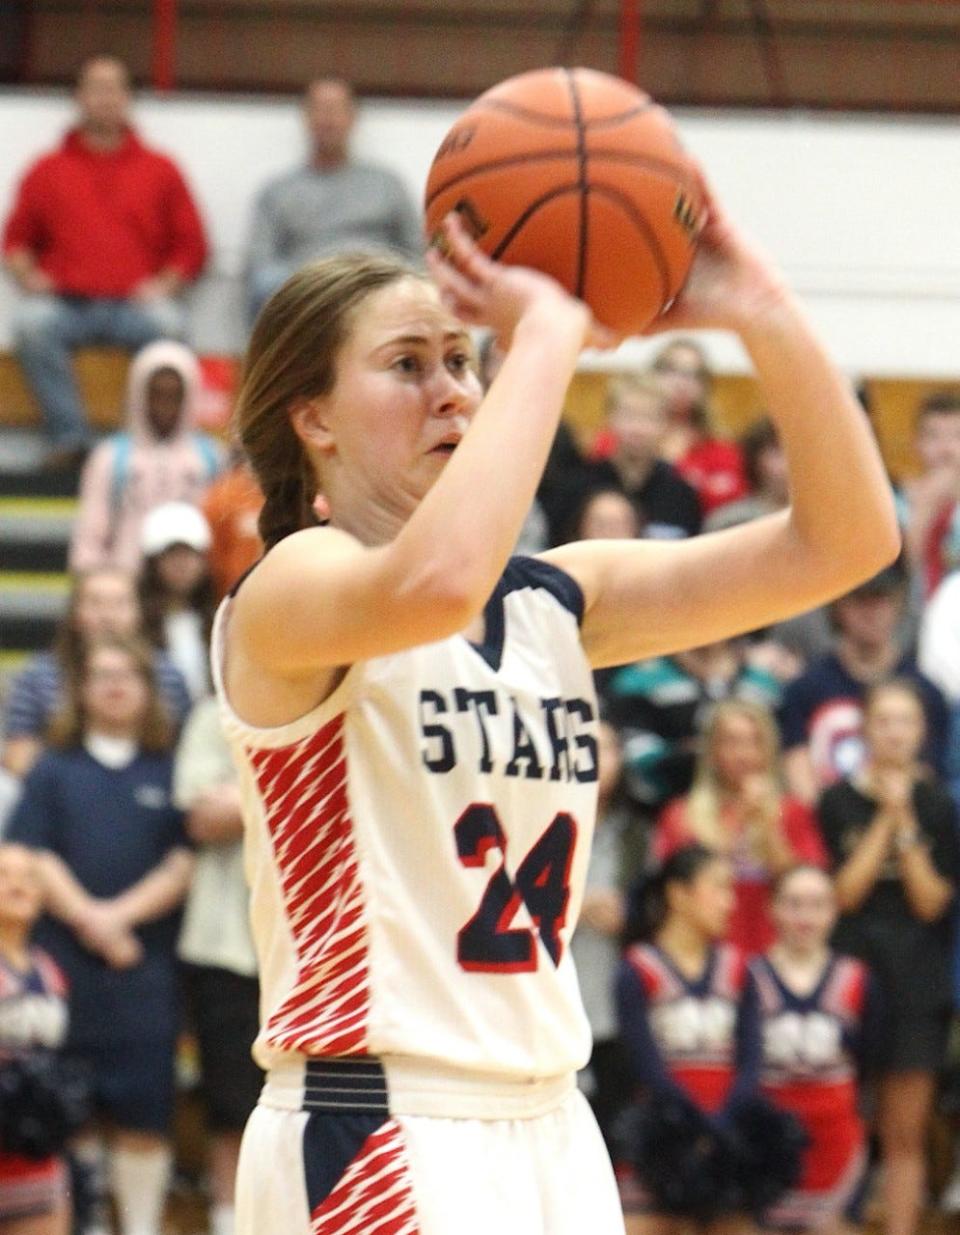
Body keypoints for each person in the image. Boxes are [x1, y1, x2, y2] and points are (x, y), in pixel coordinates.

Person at [213, 182, 897, 1235]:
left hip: (552, 1120)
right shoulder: (290, 588)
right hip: (378, 1116)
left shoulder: (552, 604)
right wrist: (545, 337)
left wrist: (762, 307)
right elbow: (435, 580)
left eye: (461, 360)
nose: (451, 389)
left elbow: (850, 542)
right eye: (408, 364)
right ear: (312, 418)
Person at [5, 634, 194, 1235]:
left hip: (145, 970)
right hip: (69, 968)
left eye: (127, 674)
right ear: (81, 689)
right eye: (101, 674)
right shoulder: (54, 769)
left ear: (148, 688)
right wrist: (92, 918)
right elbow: (31, 852)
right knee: (73, 1114)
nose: (114, 685)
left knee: (146, 1115)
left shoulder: (170, 767)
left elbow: (184, 858)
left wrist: (121, 920)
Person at [1, 56, 208, 469]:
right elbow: (15, 241)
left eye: (114, 88)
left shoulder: (161, 169)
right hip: (67, 305)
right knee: (30, 324)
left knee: (171, 327)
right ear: (79, 97)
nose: (105, 98)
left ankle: (143, 446)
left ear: (128, 98)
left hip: (135, 308)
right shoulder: (48, 169)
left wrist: (164, 285)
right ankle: (70, 439)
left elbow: (192, 247)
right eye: (95, 87)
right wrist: (28, 274)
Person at [817, 679, 959, 1235]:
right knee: (841, 1117)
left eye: (907, 722)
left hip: (918, 976)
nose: (895, 733)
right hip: (850, 970)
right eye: (885, 722)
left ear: (923, 733)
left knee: (905, 1130)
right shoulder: (836, 799)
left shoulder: (939, 804)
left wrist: (905, 822)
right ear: (866, 730)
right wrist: (884, 815)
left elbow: (930, 901)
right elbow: (844, 893)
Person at [615, 844, 761, 1234]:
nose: (730, 903)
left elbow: (750, 1062)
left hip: (727, 1132)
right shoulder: (636, 969)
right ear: (678, 894)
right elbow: (645, 1064)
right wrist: (697, 1123)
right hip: (659, 1139)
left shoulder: (739, 968)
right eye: (719, 888)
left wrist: (722, 1124)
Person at [173, 696, 260, 1235]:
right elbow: (204, 818)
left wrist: (246, 795)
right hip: (227, 947)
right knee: (230, 1107)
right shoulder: (216, 712)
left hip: (323, 952)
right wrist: (307, 788)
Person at [751, 865, 878, 1235]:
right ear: (772, 909)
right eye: (793, 904)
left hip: (837, 1144)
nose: (805, 916)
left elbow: (870, 1067)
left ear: (834, 911)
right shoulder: (749, 977)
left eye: (817, 904)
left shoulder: (858, 980)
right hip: (767, 1145)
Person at [655, 699, 826, 955]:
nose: (743, 753)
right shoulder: (681, 814)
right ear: (712, 751)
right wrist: (736, 824)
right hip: (706, 953)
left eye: (754, 741)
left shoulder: (792, 811)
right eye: (731, 742)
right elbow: (677, 888)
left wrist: (768, 829)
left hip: (775, 953)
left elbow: (801, 887)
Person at [245, 77, 422, 322]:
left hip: (379, 294)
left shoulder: (387, 184)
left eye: (336, 109)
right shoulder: (277, 191)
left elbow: (417, 251)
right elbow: (260, 263)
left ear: (353, 117)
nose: (327, 119)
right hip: (308, 301)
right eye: (319, 109)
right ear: (305, 117)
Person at [779, 559, 948, 805]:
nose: (871, 611)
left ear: (899, 603)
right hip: (828, 826)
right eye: (859, 599)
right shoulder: (806, 688)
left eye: (881, 599)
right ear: (838, 605)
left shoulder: (927, 692)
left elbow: (929, 775)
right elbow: (797, 769)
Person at [0, 567, 191, 781]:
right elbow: (17, 754)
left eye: (119, 603)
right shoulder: (37, 675)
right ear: (74, 613)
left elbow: (186, 752)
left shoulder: (168, 675)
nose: (107, 616)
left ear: (139, 612)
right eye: (95, 603)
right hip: (62, 790)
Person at [68, 340, 224, 574]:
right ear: (138, 394)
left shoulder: (211, 457)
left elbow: (222, 533)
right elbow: (90, 536)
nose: (165, 406)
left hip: (191, 591)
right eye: (156, 394)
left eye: (174, 396)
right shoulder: (111, 456)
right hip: (127, 584)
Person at [0, 844, 71, 1235]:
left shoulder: (50, 971)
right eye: (4, 875)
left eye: (28, 877)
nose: (18, 886)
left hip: (37, 1161)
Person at [580, 374, 702, 540]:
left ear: (664, 423)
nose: (637, 428)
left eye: (648, 417)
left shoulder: (681, 493)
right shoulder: (580, 484)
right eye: (629, 415)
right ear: (610, 417)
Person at [649, 338, 748, 516]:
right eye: (671, 370)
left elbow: (730, 507)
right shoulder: (619, 438)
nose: (681, 383)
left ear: (705, 386)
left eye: (693, 374)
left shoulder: (722, 450)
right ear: (651, 376)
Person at [138, 502, 217, 702]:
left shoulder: (220, 620)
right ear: (153, 563)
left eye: (190, 554)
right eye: (171, 555)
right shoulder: (136, 621)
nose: (182, 564)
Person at [896, 390, 960, 601]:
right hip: (913, 615)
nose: (946, 448)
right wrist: (925, 506)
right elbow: (901, 573)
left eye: (956, 436)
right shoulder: (896, 502)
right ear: (917, 443)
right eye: (934, 437)